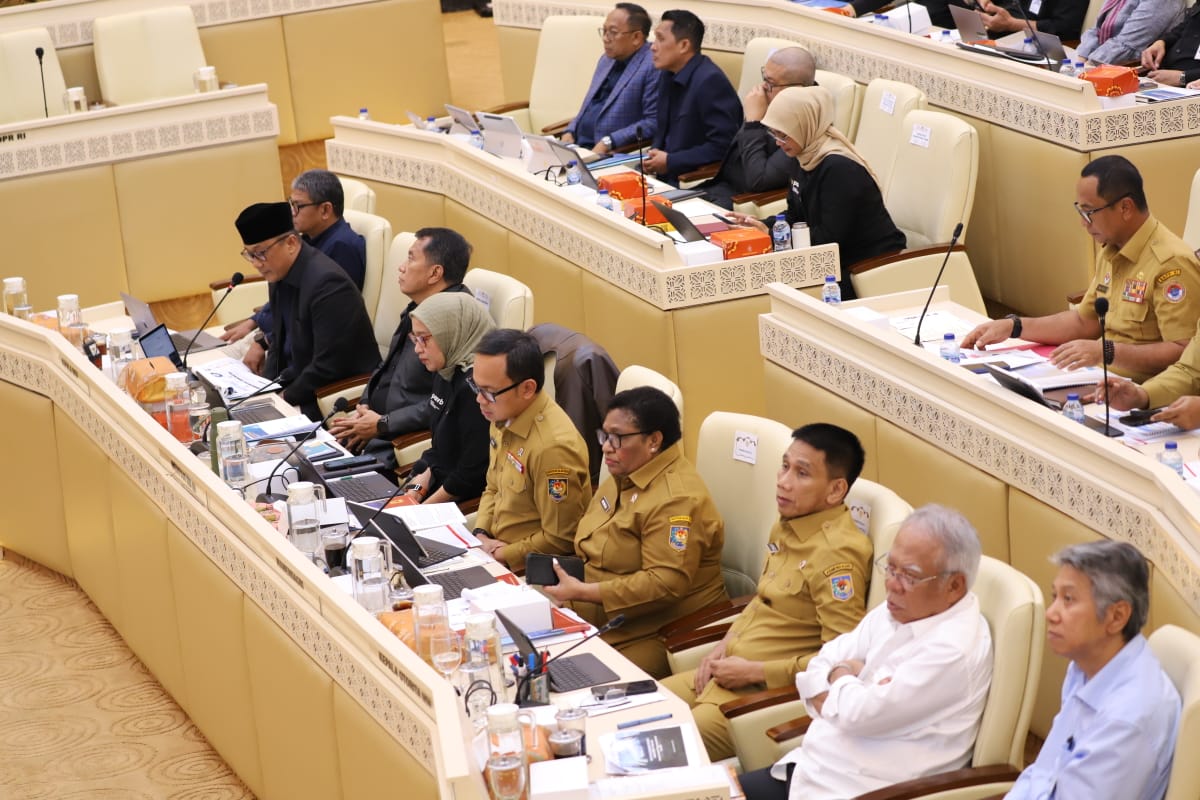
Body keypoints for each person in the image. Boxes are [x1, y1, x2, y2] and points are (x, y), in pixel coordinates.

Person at [739, 504, 993, 800]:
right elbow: (820, 664)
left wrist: (841, 673)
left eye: (909, 576)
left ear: (954, 586)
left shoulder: (952, 650)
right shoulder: (900, 609)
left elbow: (857, 713)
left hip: (861, 789)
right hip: (810, 770)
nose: (892, 585)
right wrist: (848, 684)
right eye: (891, 567)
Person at [659, 423, 873, 761]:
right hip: (725, 674)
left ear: (835, 490)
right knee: (627, 711)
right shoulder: (787, 524)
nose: (783, 481)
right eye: (785, 466)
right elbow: (763, 602)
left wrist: (754, 672)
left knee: (654, 742)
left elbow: (840, 660)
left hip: (762, 696)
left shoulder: (838, 556)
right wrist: (722, 646)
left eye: (802, 473)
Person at [543, 387, 729, 678]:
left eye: (616, 438)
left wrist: (585, 592)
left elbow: (664, 583)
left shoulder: (675, 500)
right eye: (603, 436)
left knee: (568, 682)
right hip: (597, 611)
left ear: (653, 441)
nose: (605, 447)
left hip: (656, 629)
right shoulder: (624, 474)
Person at [962, 155, 1200, 383]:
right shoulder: (1112, 247)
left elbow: (1184, 351)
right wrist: (1014, 326)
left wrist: (1106, 351)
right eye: (1080, 211)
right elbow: (1083, 322)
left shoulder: (1171, 264)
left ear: (1125, 208)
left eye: (1090, 212)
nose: (1083, 223)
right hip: (1098, 378)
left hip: (1140, 392)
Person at [1005, 541, 1180, 800]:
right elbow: (1044, 772)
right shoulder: (1085, 667)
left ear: (1117, 617)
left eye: (1069, 599)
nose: (1051, 613)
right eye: (1055, 597)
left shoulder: (1127, 719)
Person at [727, 86, 905, 301]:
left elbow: (829, 238)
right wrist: (758, 225)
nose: (777, 143)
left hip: (865, 267)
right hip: (829, 260)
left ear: (806, 125)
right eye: (774, 134)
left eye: (783, 135)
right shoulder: (803, 157)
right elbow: (795, 216)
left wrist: (772, 235)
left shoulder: (839, 168)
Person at [327, 228, 473, 471]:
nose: (401, 267)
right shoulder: (418, 308)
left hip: (399, 442)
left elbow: (445, 401)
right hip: (373, 427)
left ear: (435, 273)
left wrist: (382, 423)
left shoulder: (453, 320)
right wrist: (364, 408)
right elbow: (386, 368)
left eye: (411, 258)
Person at [233, 202, 379, 422]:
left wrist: (281, 400)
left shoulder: (328, 285)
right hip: (301, 383)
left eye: (261, 253)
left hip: (334, 395)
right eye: (250, 255)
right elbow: (278, 346)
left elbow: (328, 367)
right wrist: (264, 392)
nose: (256, 264)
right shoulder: (279, 272)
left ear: (291, 243)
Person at [222, 170, 367, 374]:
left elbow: (317, 321)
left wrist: (262, 341)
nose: (292, 213)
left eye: (297, 206)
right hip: (281, 343)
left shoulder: (340, 249)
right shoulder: (305, 241)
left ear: (325, 210)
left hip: (314, 364)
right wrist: (255, 322)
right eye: (290, 204)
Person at [471, 329, 592, 569]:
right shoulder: (503, 416)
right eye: (476, 388)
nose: (479, 400)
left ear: (527, 389)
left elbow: (560, 539)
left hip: (530, 568)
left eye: (489, 392)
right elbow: (493, 487)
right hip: (493, 550)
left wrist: (504, 553)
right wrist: (481, 533)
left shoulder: (553, 449)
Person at [398, 293, 495, 506]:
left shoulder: (476, 389)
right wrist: (414, 489)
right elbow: (439, 449)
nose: (417, 349)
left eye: (425, 338)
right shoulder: (447, 370)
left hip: (466, 504)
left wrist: (421, 511)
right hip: (439, 488)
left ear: (452, 333)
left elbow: (471, 475)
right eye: (415, 339)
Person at [698, 46, 817, 210]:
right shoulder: (768, 101)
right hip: (714, 189)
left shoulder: (807, 125)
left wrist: (753, 123)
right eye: (764, 78)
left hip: (739, 202)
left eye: (770, 83)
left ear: (796, 88)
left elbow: (758, 181)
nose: (762, 88)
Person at [642, 9, 743, 186]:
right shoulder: (668, 73)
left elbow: (725, 146)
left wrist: (671, 161)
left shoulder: (710, 81)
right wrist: (654, 156)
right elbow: (663, 130)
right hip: (662, 177)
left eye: (661, 38)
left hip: (693, 181)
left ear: (684, 45)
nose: (653, 46)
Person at [561, 3, 657, 154]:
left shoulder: (653, 65)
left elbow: (653, 122)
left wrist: (610, 141)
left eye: (612, 32)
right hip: (576, 147)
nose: (606, 38)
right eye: (604, 31)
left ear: (636, 37)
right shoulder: (606, 59)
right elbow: (588, 105)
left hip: (607, 153)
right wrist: (570, 130)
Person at [1076, 0, 1183, 66]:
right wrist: (1080, 59)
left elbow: (1127, 44)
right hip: (1101, 61)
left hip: (1131, 67)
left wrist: (1088, 65)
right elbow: (1097, 29)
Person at [1141, 5, 1200, 88]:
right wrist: (1162, 42)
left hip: (1190, 89)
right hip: (1161, 79)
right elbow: (1181, 30)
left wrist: (1183, 77)